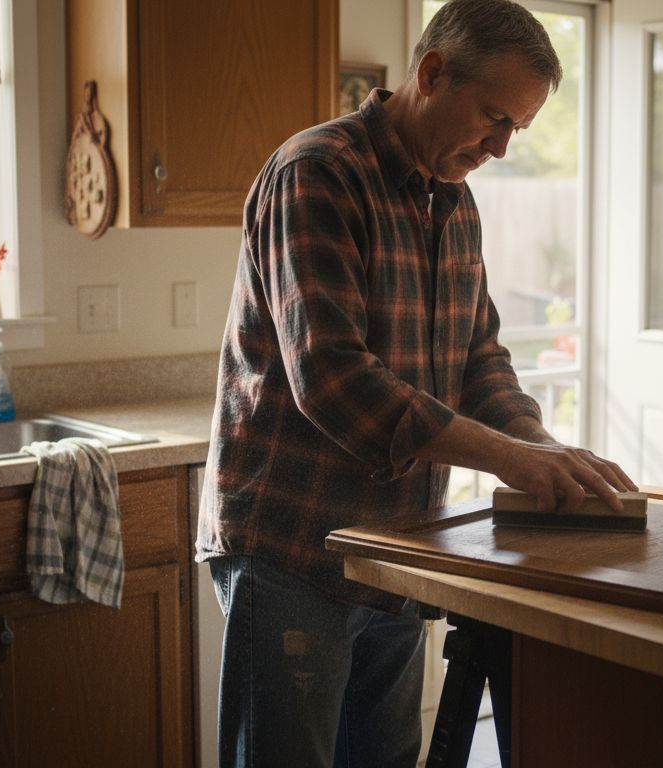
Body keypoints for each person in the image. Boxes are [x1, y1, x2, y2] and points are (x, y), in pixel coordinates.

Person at [197, 1, 637, 765]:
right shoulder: (319, 173)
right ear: (432, 73)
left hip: (395, 547)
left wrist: (542, 447)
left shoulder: (453, 201)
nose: (500, 148)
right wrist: (509, 460)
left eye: (518, 130)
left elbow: (481, 362)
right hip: (293, 547)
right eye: (494, 117)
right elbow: (334, 380)